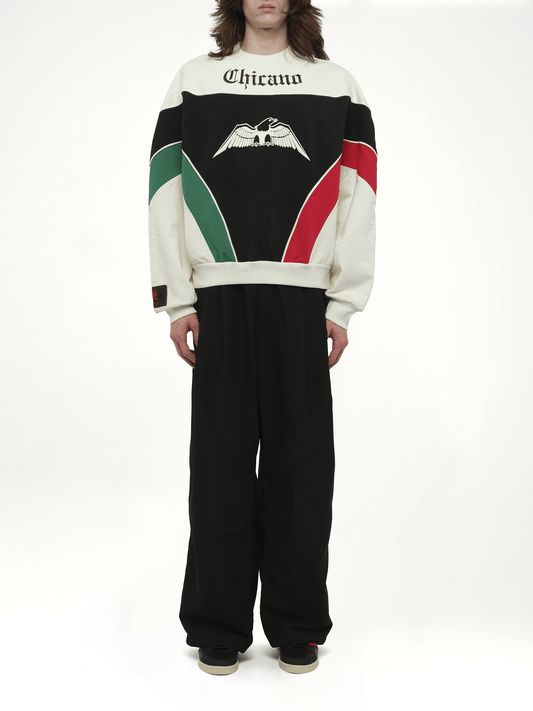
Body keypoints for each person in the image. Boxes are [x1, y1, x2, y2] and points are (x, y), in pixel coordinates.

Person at [147, 0, 377, 676]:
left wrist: (342, 304)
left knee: (300, 468)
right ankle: (218, 624)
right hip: (217, 298)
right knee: (218, 467)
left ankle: (297, 623)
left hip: (302, 299)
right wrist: (176, 298)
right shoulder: (194, 80)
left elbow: (358, 194)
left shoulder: (336, 86)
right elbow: (164, 190)